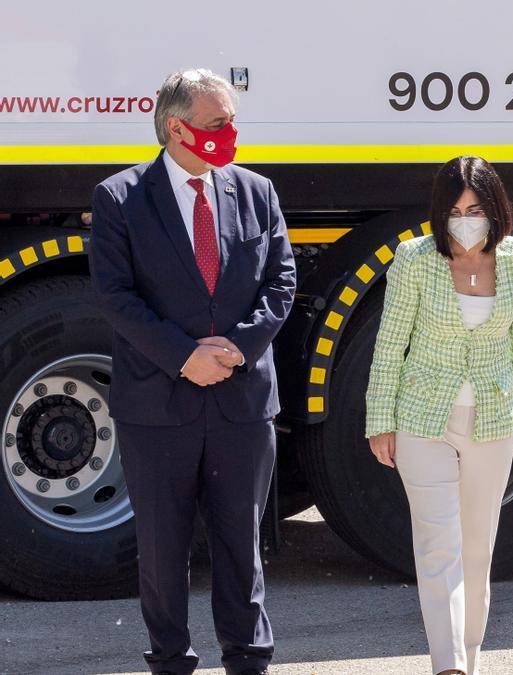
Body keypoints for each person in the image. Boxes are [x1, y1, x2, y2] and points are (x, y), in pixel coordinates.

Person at [90, 68, 296, 675]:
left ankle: (248, 657)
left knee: (242, 543)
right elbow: (116, 296)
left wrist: (234, 348)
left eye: (232, 120)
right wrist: (184, 357)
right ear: (176, 128)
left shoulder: (257, 192)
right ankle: (171, 660)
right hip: (158, 406)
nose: (230, 133)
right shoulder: (120, 197)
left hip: (242, 402)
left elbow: (281, 281)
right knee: (162, 548)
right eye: (217, 123)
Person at [364, 156, 513, 675]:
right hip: (423, 418)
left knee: (478, 548)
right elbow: (391, 342)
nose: (466, 219)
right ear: (440, 215)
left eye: (477, 209)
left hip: (492, 419)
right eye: (456, 210)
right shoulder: (414, 258)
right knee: (438, 544)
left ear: (496, 210)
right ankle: (449, 666)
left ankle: (471, 659)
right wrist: (381, 420)